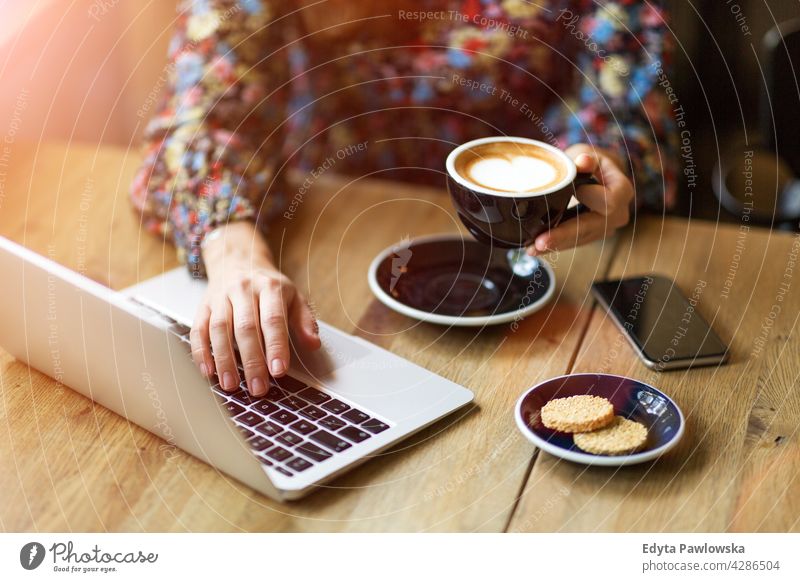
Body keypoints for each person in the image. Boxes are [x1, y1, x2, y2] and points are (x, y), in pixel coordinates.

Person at [130, 0, 677, 398]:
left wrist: (601, 162)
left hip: (536, 267)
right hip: (329, 237)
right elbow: (191, 130)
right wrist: (234, 256)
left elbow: (626, 112)